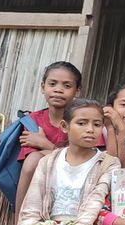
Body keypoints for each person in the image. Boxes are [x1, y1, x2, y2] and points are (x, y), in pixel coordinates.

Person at [13, 61, 83, 216]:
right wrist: (56, 150)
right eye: (52, 84)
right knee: (32, 160)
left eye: (66, 86)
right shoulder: (32, 121)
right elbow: (30, 163)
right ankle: (19, 221)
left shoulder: (82, 119)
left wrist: (45, 144)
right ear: (43, 87)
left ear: (77, 91)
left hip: (76, 178)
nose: (58, 90)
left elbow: (82, 159)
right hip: (41, 181)